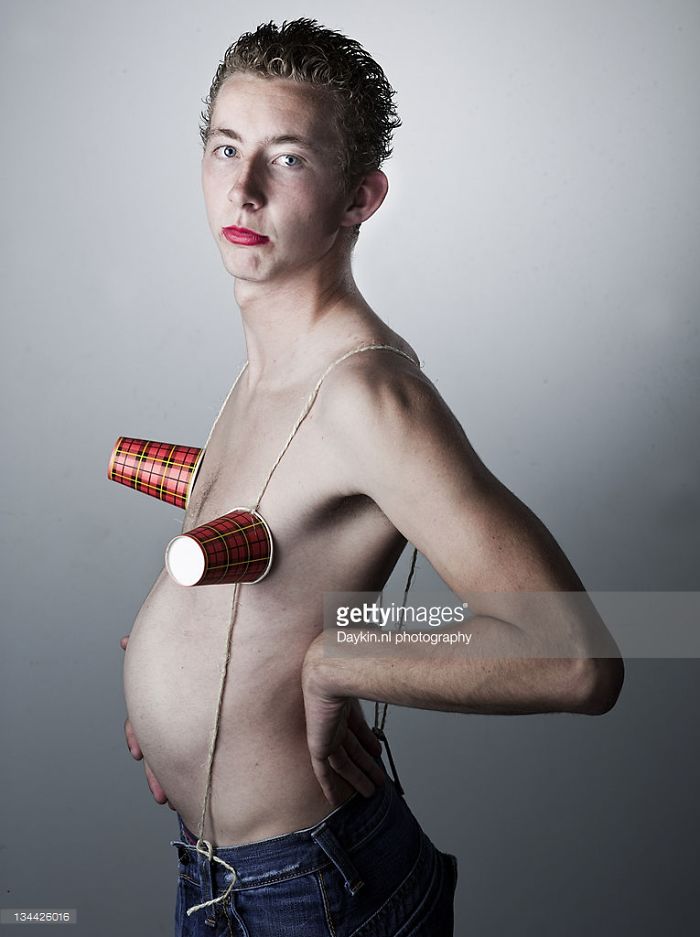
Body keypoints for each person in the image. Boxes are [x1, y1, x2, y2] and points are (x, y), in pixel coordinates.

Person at [117, 17, 624, 936]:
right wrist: (167, 695)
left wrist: (341, 656)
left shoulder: (367, 393)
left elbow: (580, 652)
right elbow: (277, 572)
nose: (244, 186)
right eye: (225, 147)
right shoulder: (268, 366)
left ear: (361, 196)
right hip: (221, 874)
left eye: (290, 158)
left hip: (315, 892)